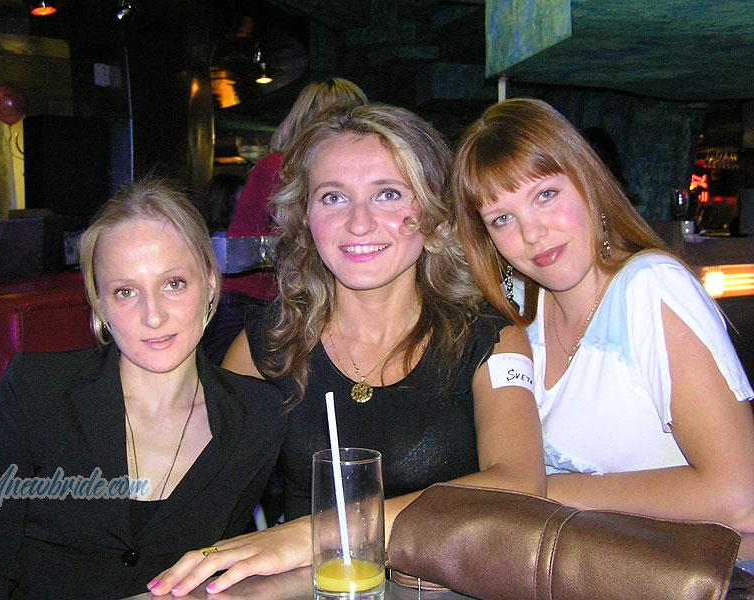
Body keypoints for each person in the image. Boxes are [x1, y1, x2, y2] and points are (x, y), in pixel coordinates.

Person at [151, 103, 546, 596]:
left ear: (432, 213)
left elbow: (521, 484)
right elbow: (201, 496)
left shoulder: (490, 336)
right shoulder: (267, 344)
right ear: (306, 218)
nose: (359, 224)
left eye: (388, 194)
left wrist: (319, 533)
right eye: (333, 197)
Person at [0, 180, 286, 598]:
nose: (154, 316)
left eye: (174, 283)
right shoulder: (36, 391)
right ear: (100, 304)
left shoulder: (258, 415)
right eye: (126, 292)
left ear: (210, 284)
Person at [450, 97, 754, 533]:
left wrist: (539, 491)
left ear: (588, 182)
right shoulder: (516, 311)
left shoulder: (651, 288)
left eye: (545, 195)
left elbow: (739, 495)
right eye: (502, 219)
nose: (532, 233)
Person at [202, 78, 369, 364]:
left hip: (283, 301)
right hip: (252, 303)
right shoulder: (281, 167)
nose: (346, 126)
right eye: (336, 117)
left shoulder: (323, 172)